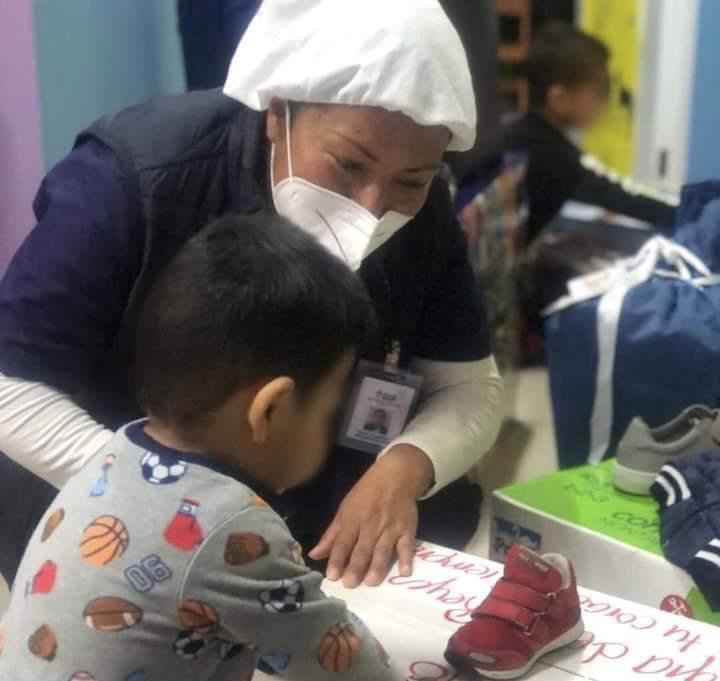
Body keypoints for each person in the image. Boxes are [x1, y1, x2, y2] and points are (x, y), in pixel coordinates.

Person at [0, 0, 503, 592]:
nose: (371, 209)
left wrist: (404, 467)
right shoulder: (135, 177)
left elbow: (471, 388)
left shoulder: (424, 214)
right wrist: (161, 497)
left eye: (410, 181)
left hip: (309, 520)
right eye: (347, 165)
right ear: (277, 113)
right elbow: (11, 388)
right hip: (107, 503)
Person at [0, 214, 406, 681]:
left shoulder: (115, 453)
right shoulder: (230, 528)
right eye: (327, 411)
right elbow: (351, 666)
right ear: (269, 410)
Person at [503, 22, 677, 244]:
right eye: (602, 89)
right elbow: (621, 196)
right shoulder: (554, 157)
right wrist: (688, 212)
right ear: (559, 99)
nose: (606, 99)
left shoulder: (524, 135)